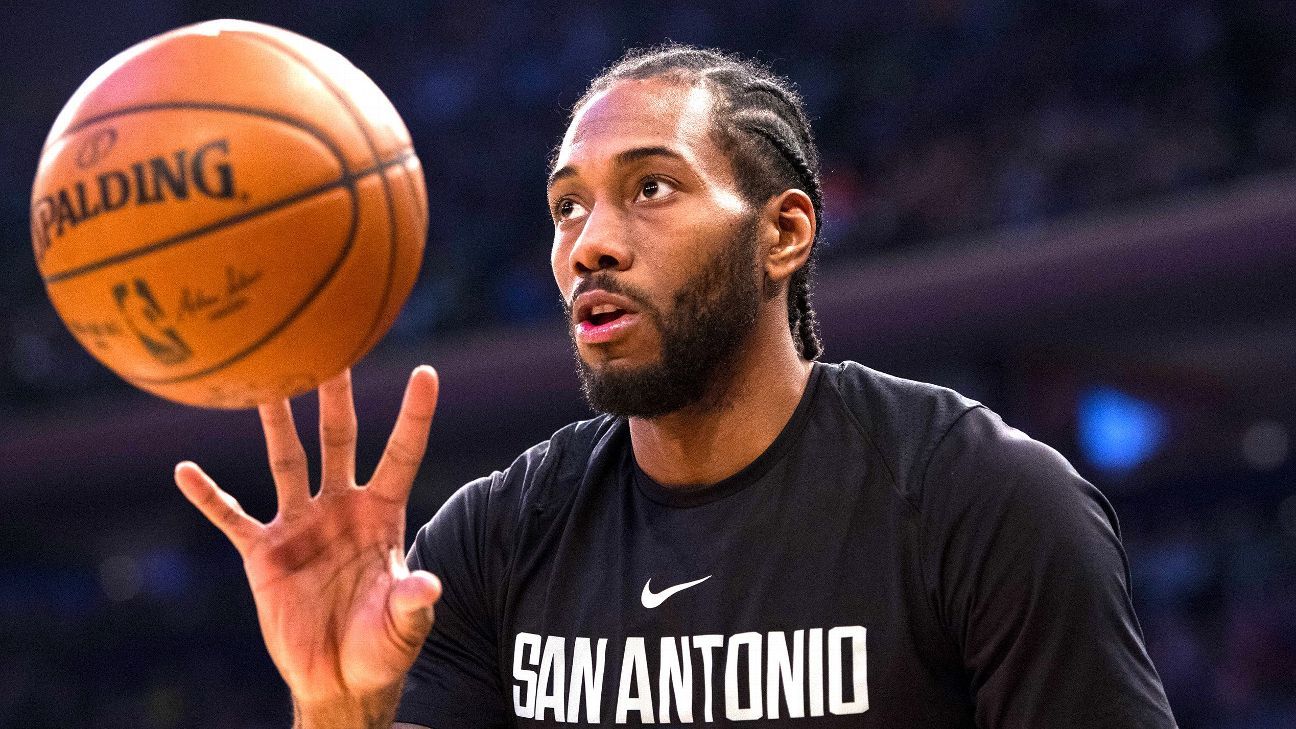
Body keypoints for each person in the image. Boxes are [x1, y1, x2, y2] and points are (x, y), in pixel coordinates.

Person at [174, 45, 1178, 728]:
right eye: (568, 207)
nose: (590, 243)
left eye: (651, 187)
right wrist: (337, 709)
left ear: (783, 233)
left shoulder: (981, 500)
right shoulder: (492, 539)